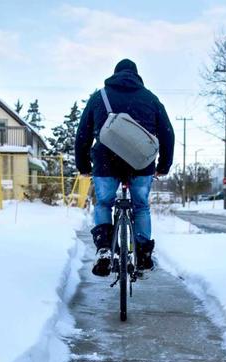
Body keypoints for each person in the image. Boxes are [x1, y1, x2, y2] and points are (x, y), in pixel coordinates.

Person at [75, 59, 175, 277]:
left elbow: (82, 133)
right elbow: (167, 133)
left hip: (105, 161)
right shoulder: (150, 98)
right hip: (141, 163)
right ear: (137, 75)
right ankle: (142, 252)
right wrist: (163, 166)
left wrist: (83, 166)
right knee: (141, 207)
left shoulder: (99, 97)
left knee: (103, 203)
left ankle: (103, 249)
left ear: (114, 74)